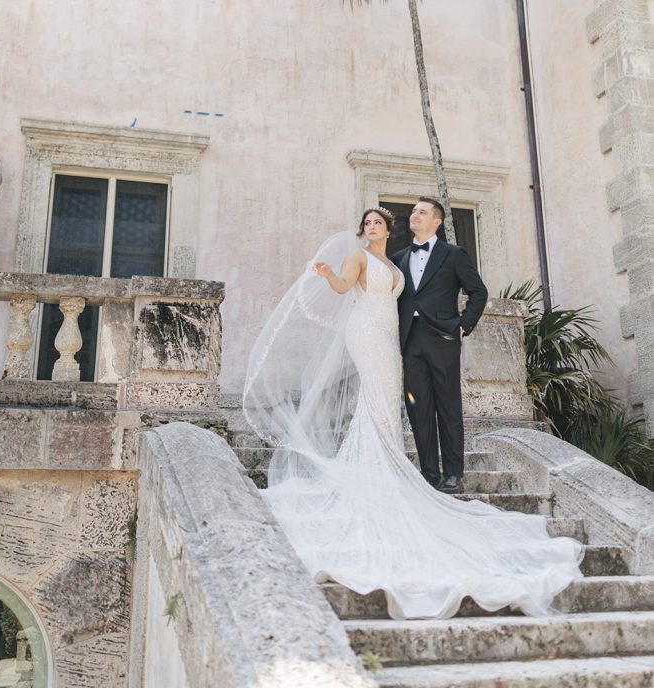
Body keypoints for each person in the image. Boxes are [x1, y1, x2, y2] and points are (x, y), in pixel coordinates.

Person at [243, 207, 583, 619]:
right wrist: (327, 274)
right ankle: (400, 468)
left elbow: (452, 293)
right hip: (376, 335)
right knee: (392, 401)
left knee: (409, 404)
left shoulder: (410, 258)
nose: (372, 228)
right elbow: (343, 286)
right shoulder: (372, 257)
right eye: (366, 223)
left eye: (378, 223)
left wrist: (461, 324)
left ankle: (418, 466)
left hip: (410, 337)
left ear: (397, 227)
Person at [392, 197, 488, 493]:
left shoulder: (453, 254)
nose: (414, 216)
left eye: (421, 212)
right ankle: (430, 473)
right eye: (412, 212)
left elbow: (478, 292)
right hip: (410, 340)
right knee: (417, 408)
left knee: (448, 406)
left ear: (437, 221)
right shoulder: (398, 258)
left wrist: (463, 324)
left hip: (443, 338)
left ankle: (453, 474)